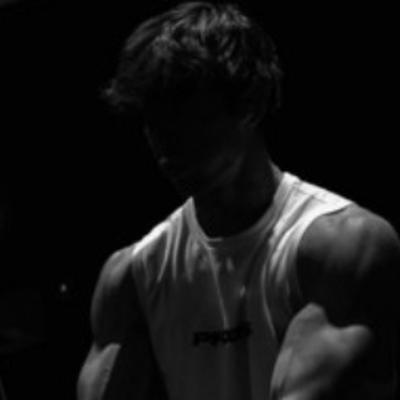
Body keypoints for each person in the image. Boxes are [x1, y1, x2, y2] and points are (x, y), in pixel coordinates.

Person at [77, 2, 400, 399]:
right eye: (153, 121)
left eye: (185, 116)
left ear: (251, 105)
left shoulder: (341, 249)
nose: (165, 144)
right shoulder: (131, 277)